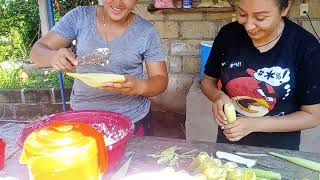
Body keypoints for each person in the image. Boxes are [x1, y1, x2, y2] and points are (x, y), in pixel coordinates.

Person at [30, 0, 168, 136]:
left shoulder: (146, 31)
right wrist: (53, 57)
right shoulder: (80, 17)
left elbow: (160, 80)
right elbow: (36, 52)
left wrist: (140, 86)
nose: (118, 3)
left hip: (132, 120)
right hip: (82, 118)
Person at [201, 0, 320, 150]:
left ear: (285, 7)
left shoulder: (305, 46)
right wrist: (217, 96)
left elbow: (313, 116)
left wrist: (254, 125)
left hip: (278, 151)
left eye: (260, 18)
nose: (249, 25)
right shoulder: (228, 35)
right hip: (228, 146)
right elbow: (207, 82)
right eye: (242, 14)